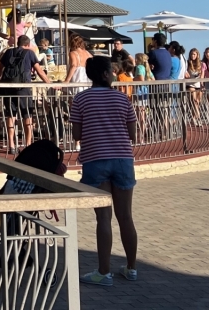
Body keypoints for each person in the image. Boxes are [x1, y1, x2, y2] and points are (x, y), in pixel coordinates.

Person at [72, 56, 139, 287]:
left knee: (104, 218)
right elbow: (133, 135)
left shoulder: (80, 99)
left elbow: (76, 134)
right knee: (126, 216)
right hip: (122, 159)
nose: (113, 73)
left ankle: (104, 272)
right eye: (110, 71)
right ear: (104, 74)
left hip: (95, 159)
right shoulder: (122, 99)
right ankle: (131, 268)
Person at [0, 35, 52, 152]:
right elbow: (39, 71)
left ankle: (11, 145)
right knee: (27, 114)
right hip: (23, 87)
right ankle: (28, 144)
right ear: (28, 45)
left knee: (11, 114)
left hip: (8, 87)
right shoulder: (29, 53)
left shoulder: (8, 52)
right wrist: (50, 83)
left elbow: (0, 67)